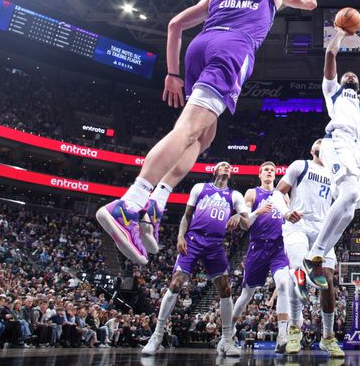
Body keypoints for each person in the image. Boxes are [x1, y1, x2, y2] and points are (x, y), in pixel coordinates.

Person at [96, 0, 319, 265]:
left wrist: (172, 73)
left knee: (204, 136)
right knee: (187, 130)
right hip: (232, 49)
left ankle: (156, 203)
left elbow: (175, 25)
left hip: (200, 47)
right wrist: (309, 1)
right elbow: (303, 3)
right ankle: (130, 203)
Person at [303, 18, 360, 287]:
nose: (350, 75)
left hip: (358, 152)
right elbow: (330, 54)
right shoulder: (333, 91)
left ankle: (317, 253)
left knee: (350, 210)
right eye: (346, 75)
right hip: (337, 141)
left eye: (354, 76)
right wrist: (340, 33)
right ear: (341, 81)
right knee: (350, 193)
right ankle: (315, 254)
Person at [141, 162, 248, 357]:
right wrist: (180, 236)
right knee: (176, 283)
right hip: (193, 239)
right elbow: (187, 215)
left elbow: (247, 221)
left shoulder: (235, 195)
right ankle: (156, 336)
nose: (226, 167)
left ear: (231, 175)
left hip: (216, 244)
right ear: (215, 171)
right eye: (222, 165)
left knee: (225, 289)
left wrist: (239, 217)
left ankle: (226, 340)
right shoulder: (200, 188)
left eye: (229, 167)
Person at [268, 139, 344, 357]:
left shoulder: (335, 175)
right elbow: (277, 193)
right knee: (300, 271)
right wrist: (285, 212)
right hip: (297, 225)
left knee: (327, 279)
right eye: (318, 141)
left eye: (325, 142)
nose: (322, 142)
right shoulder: (300, 165)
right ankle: (294, 329)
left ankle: (327, 338)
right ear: (312, 149)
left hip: (322, 230)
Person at [232, 162, 293, 354]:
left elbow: (290, 220)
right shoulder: (251, 193)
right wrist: (258, 211)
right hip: (257, 247)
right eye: (266, 170)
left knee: (283, 284)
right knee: (247, 294)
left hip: (278, 248)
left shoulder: (283, 195)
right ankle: (229, 330)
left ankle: (282, 335)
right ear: (260, 174)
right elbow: (245, 224)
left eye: (272, 171)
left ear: (275, 176)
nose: (269, 172)